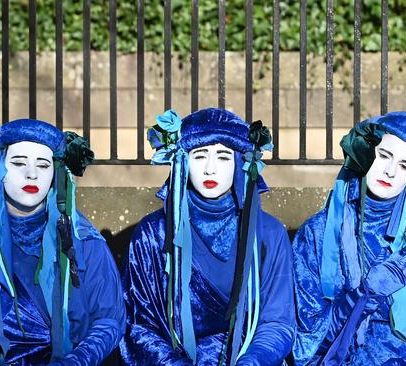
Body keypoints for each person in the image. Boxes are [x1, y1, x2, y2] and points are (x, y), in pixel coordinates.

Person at [120, 108, 295, 365]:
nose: (210, 169)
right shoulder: (152, 234)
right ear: (182, 161)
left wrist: (251, 362)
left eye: (223, 157)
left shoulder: (269, 233)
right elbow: (139, 325)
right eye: (200, 156)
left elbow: (278, 322)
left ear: (240, 162)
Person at [292, 112, 406, 365]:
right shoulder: (317, 233)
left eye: (405, 165)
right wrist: (365, 293)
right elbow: (305, 342)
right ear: (367, 154)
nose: (390, 171)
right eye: (384, 156)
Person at [0, 119, 125, 365]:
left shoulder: (85, 241)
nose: (32, 174)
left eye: (43, 165)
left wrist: (74, 361)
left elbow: (109, 320)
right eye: (19, 163)